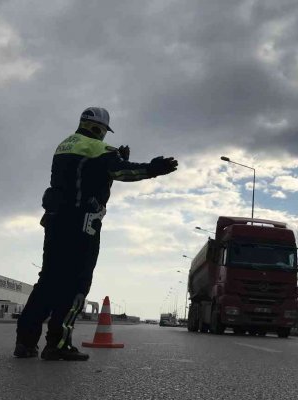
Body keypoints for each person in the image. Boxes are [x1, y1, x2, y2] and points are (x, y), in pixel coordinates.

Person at [14, 107, 178, 361]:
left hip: (56, 221)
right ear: (99, 129)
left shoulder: (64, 145)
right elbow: (122, 172)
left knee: (47, 281)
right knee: (76, 284)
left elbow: (82, 175)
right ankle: (57, 344)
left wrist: (116, 159)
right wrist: (152, 169)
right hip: (83, 225)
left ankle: (25, 342)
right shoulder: (100, 150)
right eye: (103, 132)